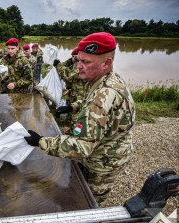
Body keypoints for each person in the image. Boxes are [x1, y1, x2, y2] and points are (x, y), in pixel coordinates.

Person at [25, 32, 136, 206]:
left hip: (103, 162)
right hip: (110, 149)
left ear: (107, 63)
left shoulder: (102, 98)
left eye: (85, 62)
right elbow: (90, 101)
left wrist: (41, 141)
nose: (78, 66)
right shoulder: (108, 80)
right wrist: (73, 106)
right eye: (78, 60)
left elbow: (82, 147)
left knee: (87, 203)